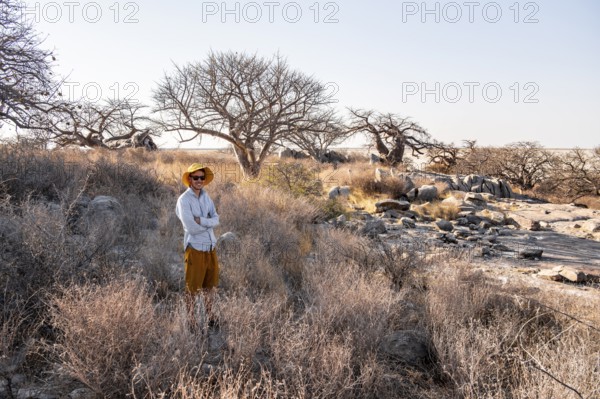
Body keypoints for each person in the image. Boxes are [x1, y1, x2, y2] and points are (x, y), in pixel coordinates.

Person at [175, 163, 220, 329]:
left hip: (210, 246)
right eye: (196, 177)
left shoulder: (207, 197)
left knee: (210, 286)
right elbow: (191, 228)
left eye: (202, 177)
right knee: (192, 288)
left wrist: (202, 220)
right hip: (195, 248)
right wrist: (209, 224)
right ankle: (191, 320)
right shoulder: (183, 200)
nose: (199, 180)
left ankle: (211, 317)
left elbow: (216, 219)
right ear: (189, 179)